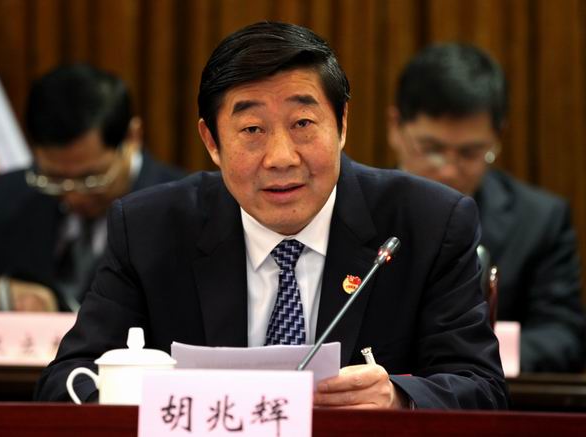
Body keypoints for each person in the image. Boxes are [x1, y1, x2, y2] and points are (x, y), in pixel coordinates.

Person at [36, 23, 507, 409]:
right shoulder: (149, 228)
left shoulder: (429, 222)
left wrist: (399, 399)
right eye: (252, 129)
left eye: (303, 124)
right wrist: (144, 400)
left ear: (342, 124)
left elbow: (481, 388)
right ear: (212, 142)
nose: (281, 157)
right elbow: (66, 382)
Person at [387, 43, 586, 372]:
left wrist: (475, 355)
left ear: (498, 136)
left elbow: (563, 334)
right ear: (395, 126)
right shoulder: (350, 207)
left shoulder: (539, 220)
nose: (449, 170)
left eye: (470, 153)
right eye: (432, 148)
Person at [0, 64, 184, 335]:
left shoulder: (185, 209)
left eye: (91, 178)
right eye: (54, 178)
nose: (73, 196)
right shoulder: (1, 197)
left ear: (132, 137)